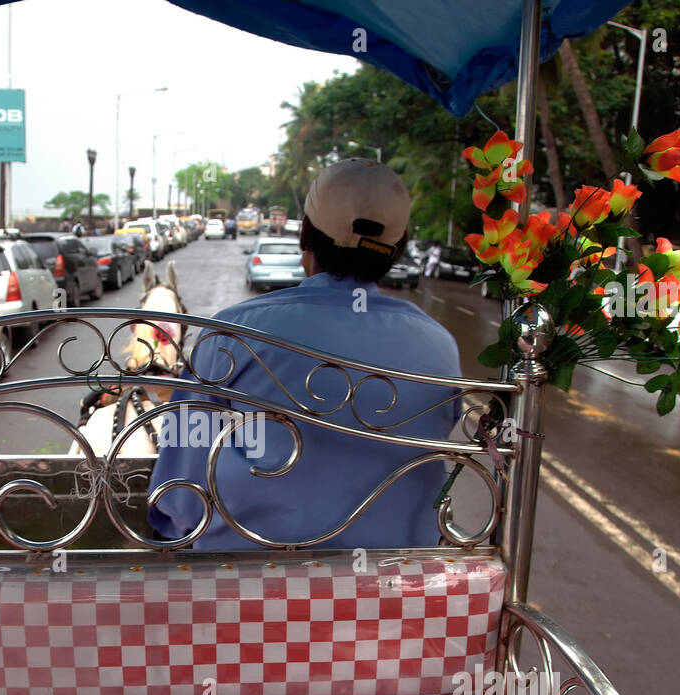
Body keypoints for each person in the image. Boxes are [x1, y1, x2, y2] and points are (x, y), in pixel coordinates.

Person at [149, 159, 461, 550]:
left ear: (305, 236)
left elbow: (179, 497)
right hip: (395, 595)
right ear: (397, 249)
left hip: (244, 589)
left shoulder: (232, 333)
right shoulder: (439, 345)